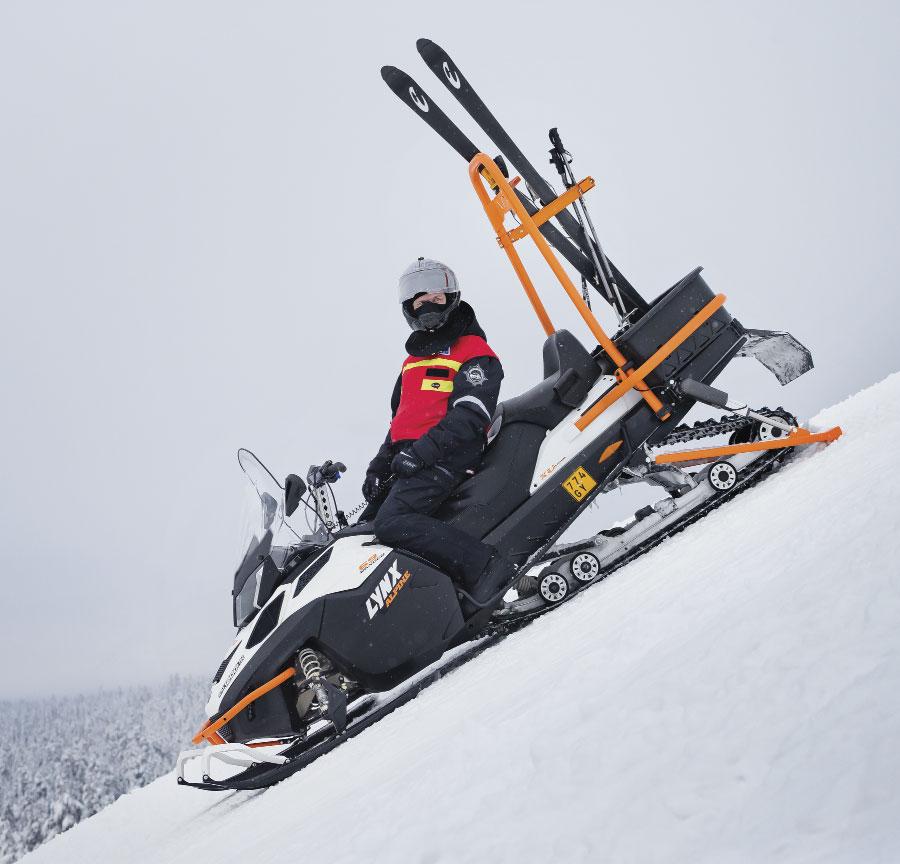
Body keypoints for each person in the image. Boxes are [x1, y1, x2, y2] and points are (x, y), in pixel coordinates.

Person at [360, 257, 516, 613]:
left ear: (452, 298)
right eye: (418, 301)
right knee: (361, 533)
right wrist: (378, 468)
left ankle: (487, 567)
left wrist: (421, 454)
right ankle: (418, 605)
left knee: (391, 523)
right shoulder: (411, 363)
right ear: (407, 308)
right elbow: (399, 425)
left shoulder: (475, 352)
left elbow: (470, 415)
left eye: (435, 298)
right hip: (416, 460)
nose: (426, 306)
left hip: (448, 457)